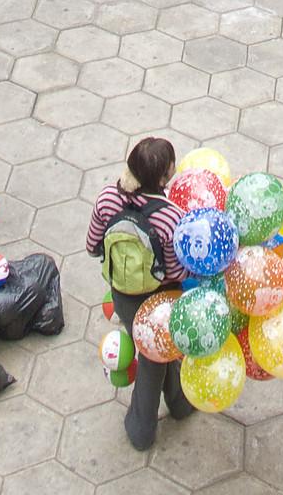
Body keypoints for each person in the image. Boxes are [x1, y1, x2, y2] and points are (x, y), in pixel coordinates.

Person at [86, 136, 196, 452]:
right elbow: (176, 272)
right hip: (159, 299)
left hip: (122, 296)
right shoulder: (170, 216)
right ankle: (142, 430)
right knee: (153, 359)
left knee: (158, 352)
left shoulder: (107, 198)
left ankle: (179, 402)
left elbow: (93, 245)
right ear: (164, 177)